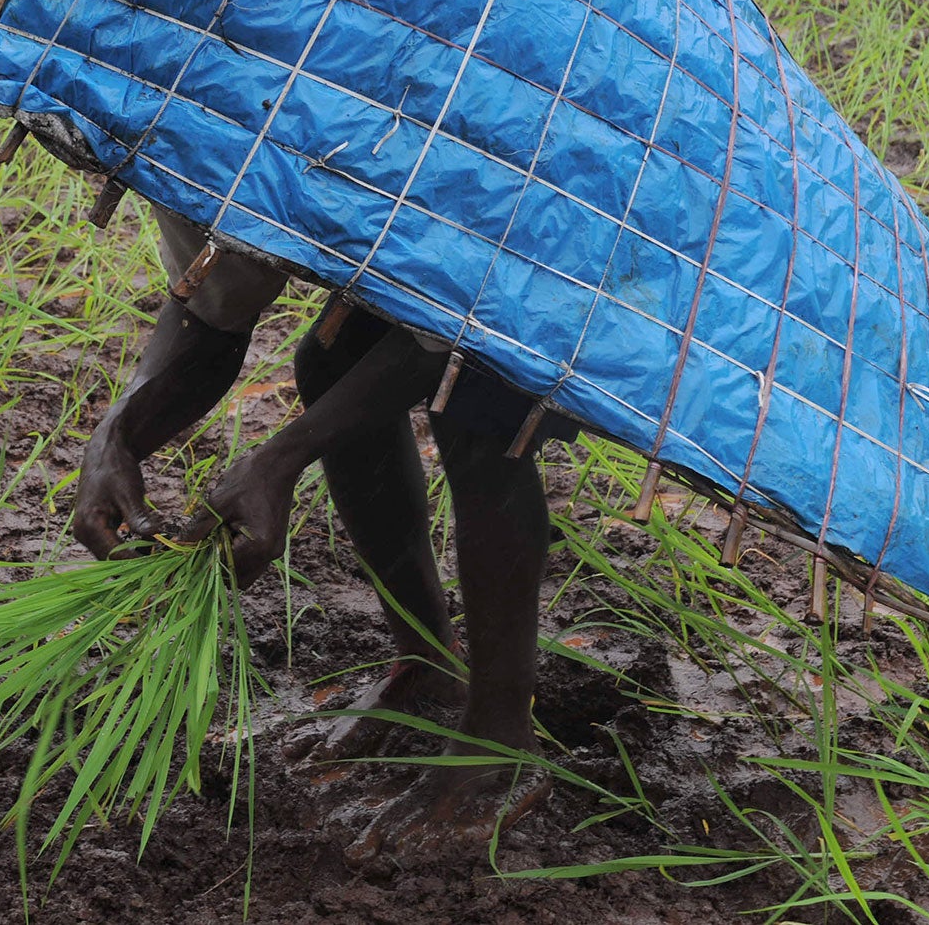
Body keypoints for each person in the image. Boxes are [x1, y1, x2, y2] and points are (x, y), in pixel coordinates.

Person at [71, 205, 575, 859]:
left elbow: (465, 322)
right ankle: (427, 664)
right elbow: (214, 297)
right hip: (447, 238)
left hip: (540, 223)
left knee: (483, 410)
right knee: (335, 359)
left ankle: (500, 741)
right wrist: (117, 435)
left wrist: (278, 460)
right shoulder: (191, 125)